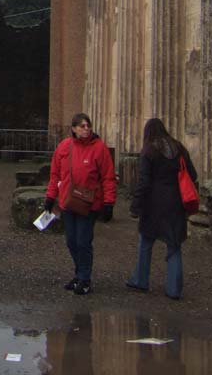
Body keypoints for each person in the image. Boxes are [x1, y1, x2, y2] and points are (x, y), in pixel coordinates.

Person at [44, 112, 116, 295]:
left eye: (88, 125)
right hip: (68, 201)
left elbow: (108, 177)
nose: (86, 129)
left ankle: (85, 278)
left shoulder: (99, 148)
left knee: (83, 241)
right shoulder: (64, 146)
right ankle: (79, 273)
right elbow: (55, 174)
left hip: (89, 203)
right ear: (74, 129)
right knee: (71, 241)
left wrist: (109, 203)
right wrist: (50, 197)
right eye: (82, 126)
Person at [126, 118, 197, 299]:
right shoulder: (179, 148)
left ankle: (141, 280)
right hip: (175, 203)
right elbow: (193, 174)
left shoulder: (149, 151)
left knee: (146, 241)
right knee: (174, 245)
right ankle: (174, 289)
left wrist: (136, 206)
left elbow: (144, 181)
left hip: (154, 203)